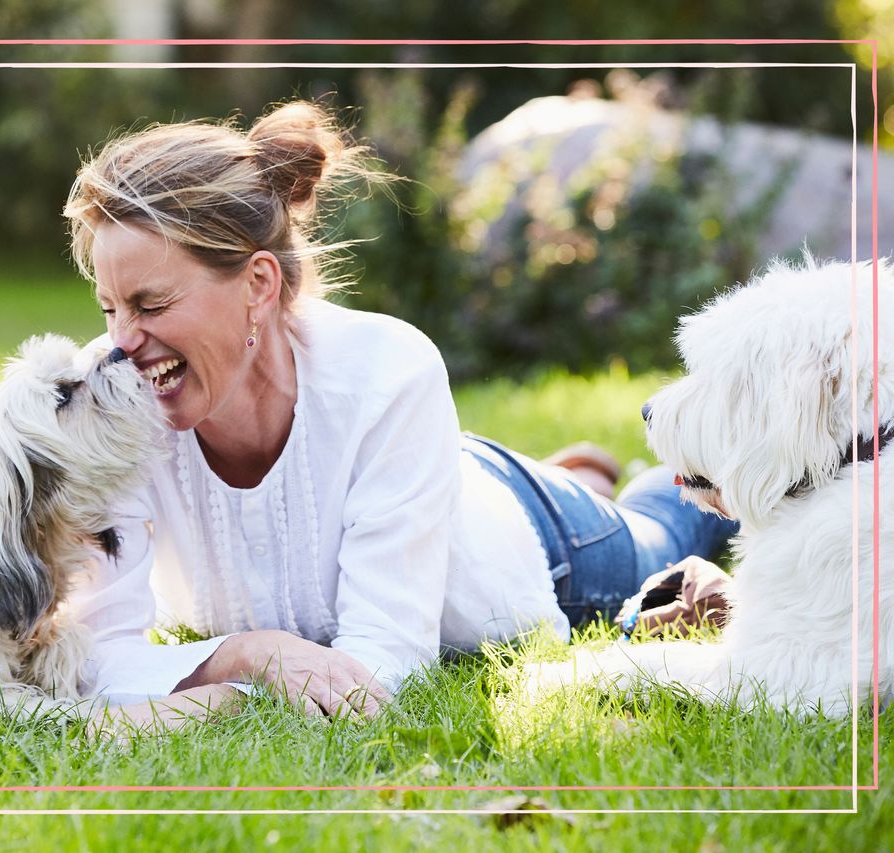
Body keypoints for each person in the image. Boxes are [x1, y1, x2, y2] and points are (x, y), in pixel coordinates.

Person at [61, 101, 737, 727]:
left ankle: (617, 485)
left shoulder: (386, 370)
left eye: (150, 305)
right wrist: (245, 652)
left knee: (660, 531)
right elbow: (90, 657)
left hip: (538, 540)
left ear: (259, 285)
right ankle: (578, 471)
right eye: (108, 308)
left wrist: (222, 682)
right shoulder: (108, 397)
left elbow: (380, 671)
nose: (121, 341)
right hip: (423, 477)